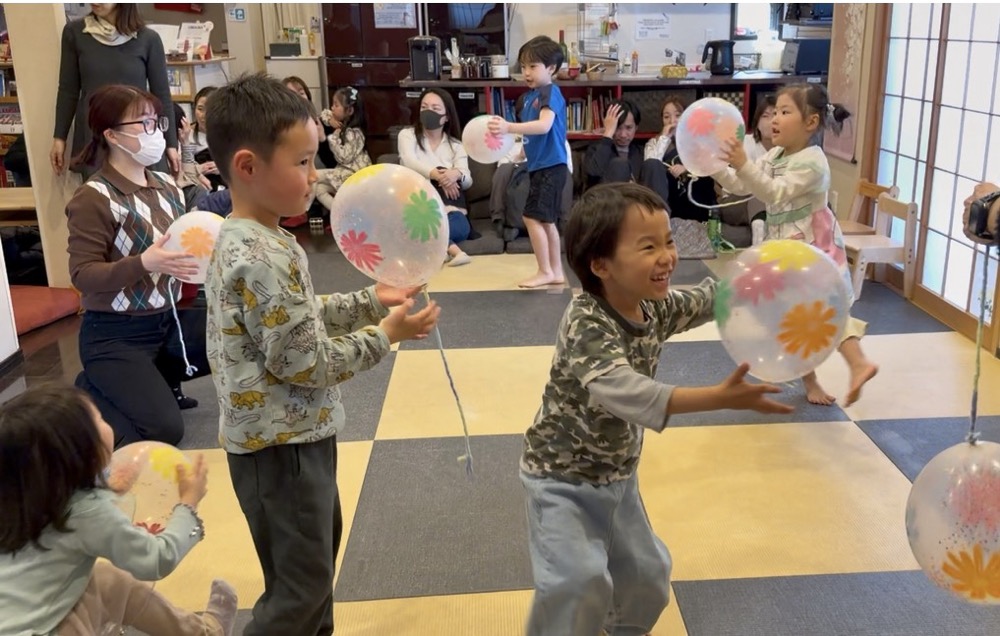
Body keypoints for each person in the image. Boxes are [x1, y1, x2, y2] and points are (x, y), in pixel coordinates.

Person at [203, 73, 441, 636]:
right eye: (304, 163)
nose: (315, 176)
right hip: (281, 447)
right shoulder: (262, 253)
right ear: (247, 167)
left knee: (308, 575)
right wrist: (386, 334)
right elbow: (303, 361)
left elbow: (293, 321)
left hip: (284, 439)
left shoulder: (253, 235)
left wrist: (367, 300)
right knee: (300, 592)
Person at [519, 183, 793, 636]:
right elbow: (625, 390)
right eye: (648, 246)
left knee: (649, 579)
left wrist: (760, 283)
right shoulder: (586, 320)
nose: (668, 255)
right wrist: (717, 397)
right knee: (576, 583)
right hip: (558, 480)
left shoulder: (653, 305)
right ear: (600, 264)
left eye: (668, 241)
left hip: (617, 475)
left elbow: (708, 299)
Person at [0, 384, 238, 636]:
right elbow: (156, 558)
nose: (106, 421)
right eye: (98, 418)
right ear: (80, 450)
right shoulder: (88, 512)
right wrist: (188, 503)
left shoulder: (20, 498)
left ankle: (202, 632)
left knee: (108, 580)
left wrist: (105, 489)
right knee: (96, 596)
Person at [712, 83, 879, 407]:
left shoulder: (813, 162)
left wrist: (744, 163)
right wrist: (716, 165)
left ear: (811, 123)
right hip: (786, 248)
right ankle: (811, 378)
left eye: (785, 112)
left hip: (812, 247)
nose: (774, 118)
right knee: (791, 314)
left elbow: (774, 192)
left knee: (826, 307)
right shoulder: (775, 154)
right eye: (774, 112)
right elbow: (741, 184)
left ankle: (859, 363)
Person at [67, 84, 204, 446]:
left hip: (168, 318)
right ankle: (88, 396)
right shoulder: (94, 197)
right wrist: (144, 262)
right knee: (164, 432)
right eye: (143, 123)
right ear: (111, 134)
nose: (155, 131)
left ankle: (157, 379)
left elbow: (184, 242)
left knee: (237, 334)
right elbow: (83, 276)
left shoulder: (166, 185)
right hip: (115, 334)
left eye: (156, 121)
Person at [52, 3, 179, 178]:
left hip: (137, 135)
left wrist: (171, 144)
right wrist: (60, 137)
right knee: (99, 198)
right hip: (95, 134)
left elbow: (162, 95)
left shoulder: (148, 39)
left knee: (144, 196)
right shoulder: (75, 33)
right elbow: (68, 90)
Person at [488, 36, 568, 288]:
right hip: (541, 166)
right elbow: (532, 136)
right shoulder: (530, 97)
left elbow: (544, 126)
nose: (526, 72)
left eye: (533, 66)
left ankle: (544, 270)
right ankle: (555, 272)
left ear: (551, 69)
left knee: (532, 218)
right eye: (523, 67)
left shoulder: (549, 92)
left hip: (551, 167)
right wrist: (520, 153)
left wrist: (508, 127)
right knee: (546, 220)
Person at [398, 88, 475, 266]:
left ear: (446, 116)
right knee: (417, 226)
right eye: (424, 107)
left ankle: (438, 249)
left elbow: (468, 180)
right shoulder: (407, 136)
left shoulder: (456, 145)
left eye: (435, 107)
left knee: (458, 226)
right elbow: (409, 162)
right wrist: (439, 175)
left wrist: (456, 174)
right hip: (417, 208)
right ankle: (454, 251)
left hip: (451, 212)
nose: (428, 111)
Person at [643, 96, 718, 222]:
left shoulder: (700, 141)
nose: (672, 121)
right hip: (667, 199)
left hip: (694, 196)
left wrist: (688, 169)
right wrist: (664, 139)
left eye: (678, 115)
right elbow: (651, 168)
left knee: (701, 178)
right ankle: (661, 220)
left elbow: (712, 168)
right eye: (666, 117)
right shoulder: (653, 143)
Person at [313, 86, 372, 213]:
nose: (332, 108)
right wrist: (330, 119)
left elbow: (344, 158)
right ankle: (341, 213)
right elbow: (324, 113)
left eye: (336, 105)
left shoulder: (355, 133)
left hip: (352, 174)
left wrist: (333, 138)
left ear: (349, 111)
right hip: (343, 171)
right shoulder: (342, 123)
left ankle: (344, 214)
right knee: (319, 189)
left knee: (313, 175)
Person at [583, 99, 645, 187]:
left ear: (636, 127)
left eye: (629, 128)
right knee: (619, 165)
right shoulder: (596, 149)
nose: (623, 135)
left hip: (635, 198)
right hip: (607, 198)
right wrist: (607, 134)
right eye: (617, 128)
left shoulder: (641, 152)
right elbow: (593, 173)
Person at [283, 75, 338, 170]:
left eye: (301, 93)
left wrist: (322, 138)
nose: (298, 98)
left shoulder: (323, 123)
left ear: (308, 97)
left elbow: (333, 164)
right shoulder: (281, 128)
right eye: (292, 95)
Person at [190, 86, 223, 192]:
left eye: (211, 110)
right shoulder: (186, 134)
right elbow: (180, 167)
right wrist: (197, 170)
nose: (204, 115)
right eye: (200, 109)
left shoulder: (229, 134)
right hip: (199, 185)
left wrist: (223, 168)